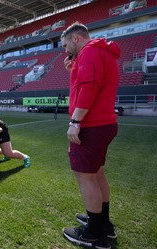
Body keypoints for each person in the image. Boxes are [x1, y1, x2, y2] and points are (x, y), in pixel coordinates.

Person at [60, 22, 120, 249]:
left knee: (86, 177)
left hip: (91, 126)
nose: (66, 51)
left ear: (76, 38)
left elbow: (90, 87)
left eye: (66, 45)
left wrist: (75, 122)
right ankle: (103, 223)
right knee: (97, 174)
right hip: (103, 123)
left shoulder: (91, 51)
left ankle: (94, 233)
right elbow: (88, 83)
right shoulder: (102, 51)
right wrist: (73, 70)